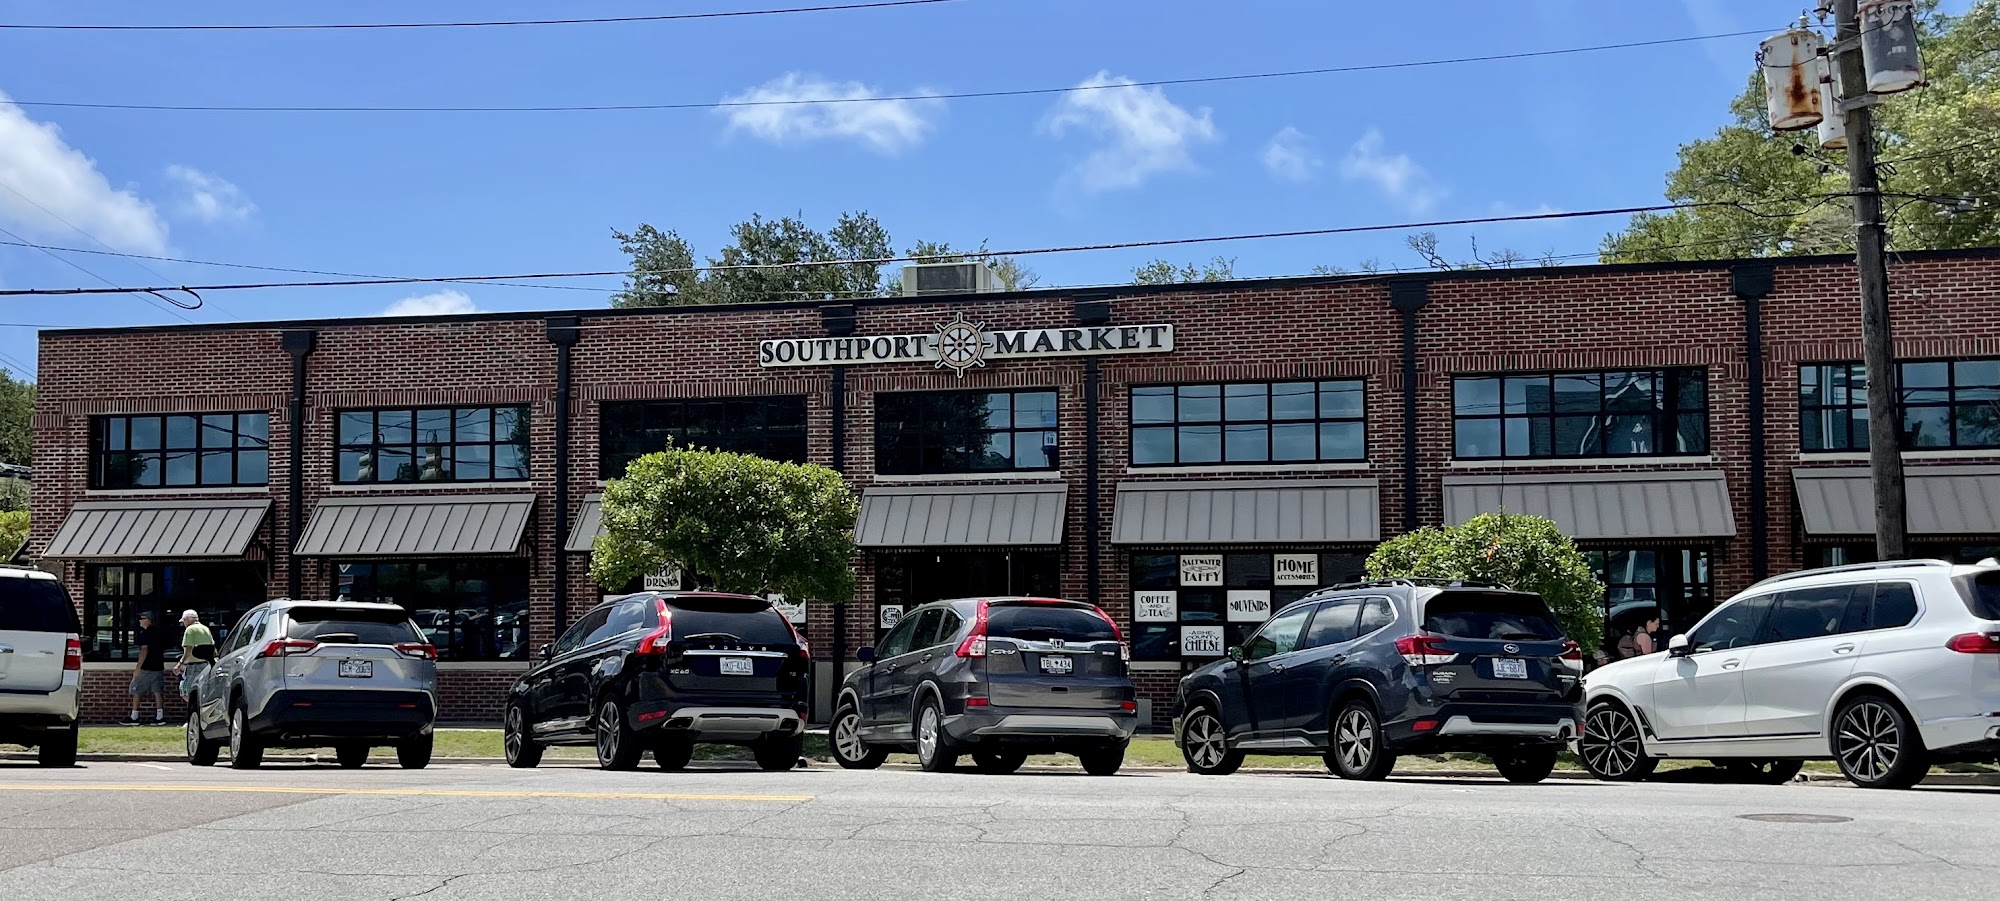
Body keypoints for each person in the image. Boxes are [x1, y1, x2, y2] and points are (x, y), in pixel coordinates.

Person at [126, 612, 168, 725]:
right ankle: (160, 717)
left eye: (142, 618)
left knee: (137, 691)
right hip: (158, 666)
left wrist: (138, 668)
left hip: (146, 667)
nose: (139, 621)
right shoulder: (159, 632)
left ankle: (134, 717)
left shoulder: (146, 633)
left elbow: (144, 651)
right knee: (157, 691)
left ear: (148, 620)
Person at [176, 609, 215, 702]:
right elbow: (212, 647)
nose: (184, 624)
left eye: (184, 621)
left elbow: (188, 650)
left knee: (185, 691)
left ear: (188, 619)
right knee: (203, 691)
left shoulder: (189, 630)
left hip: (193, 666)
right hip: (206, 665)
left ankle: (193, 711)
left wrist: (180, 664)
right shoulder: (206, 629)